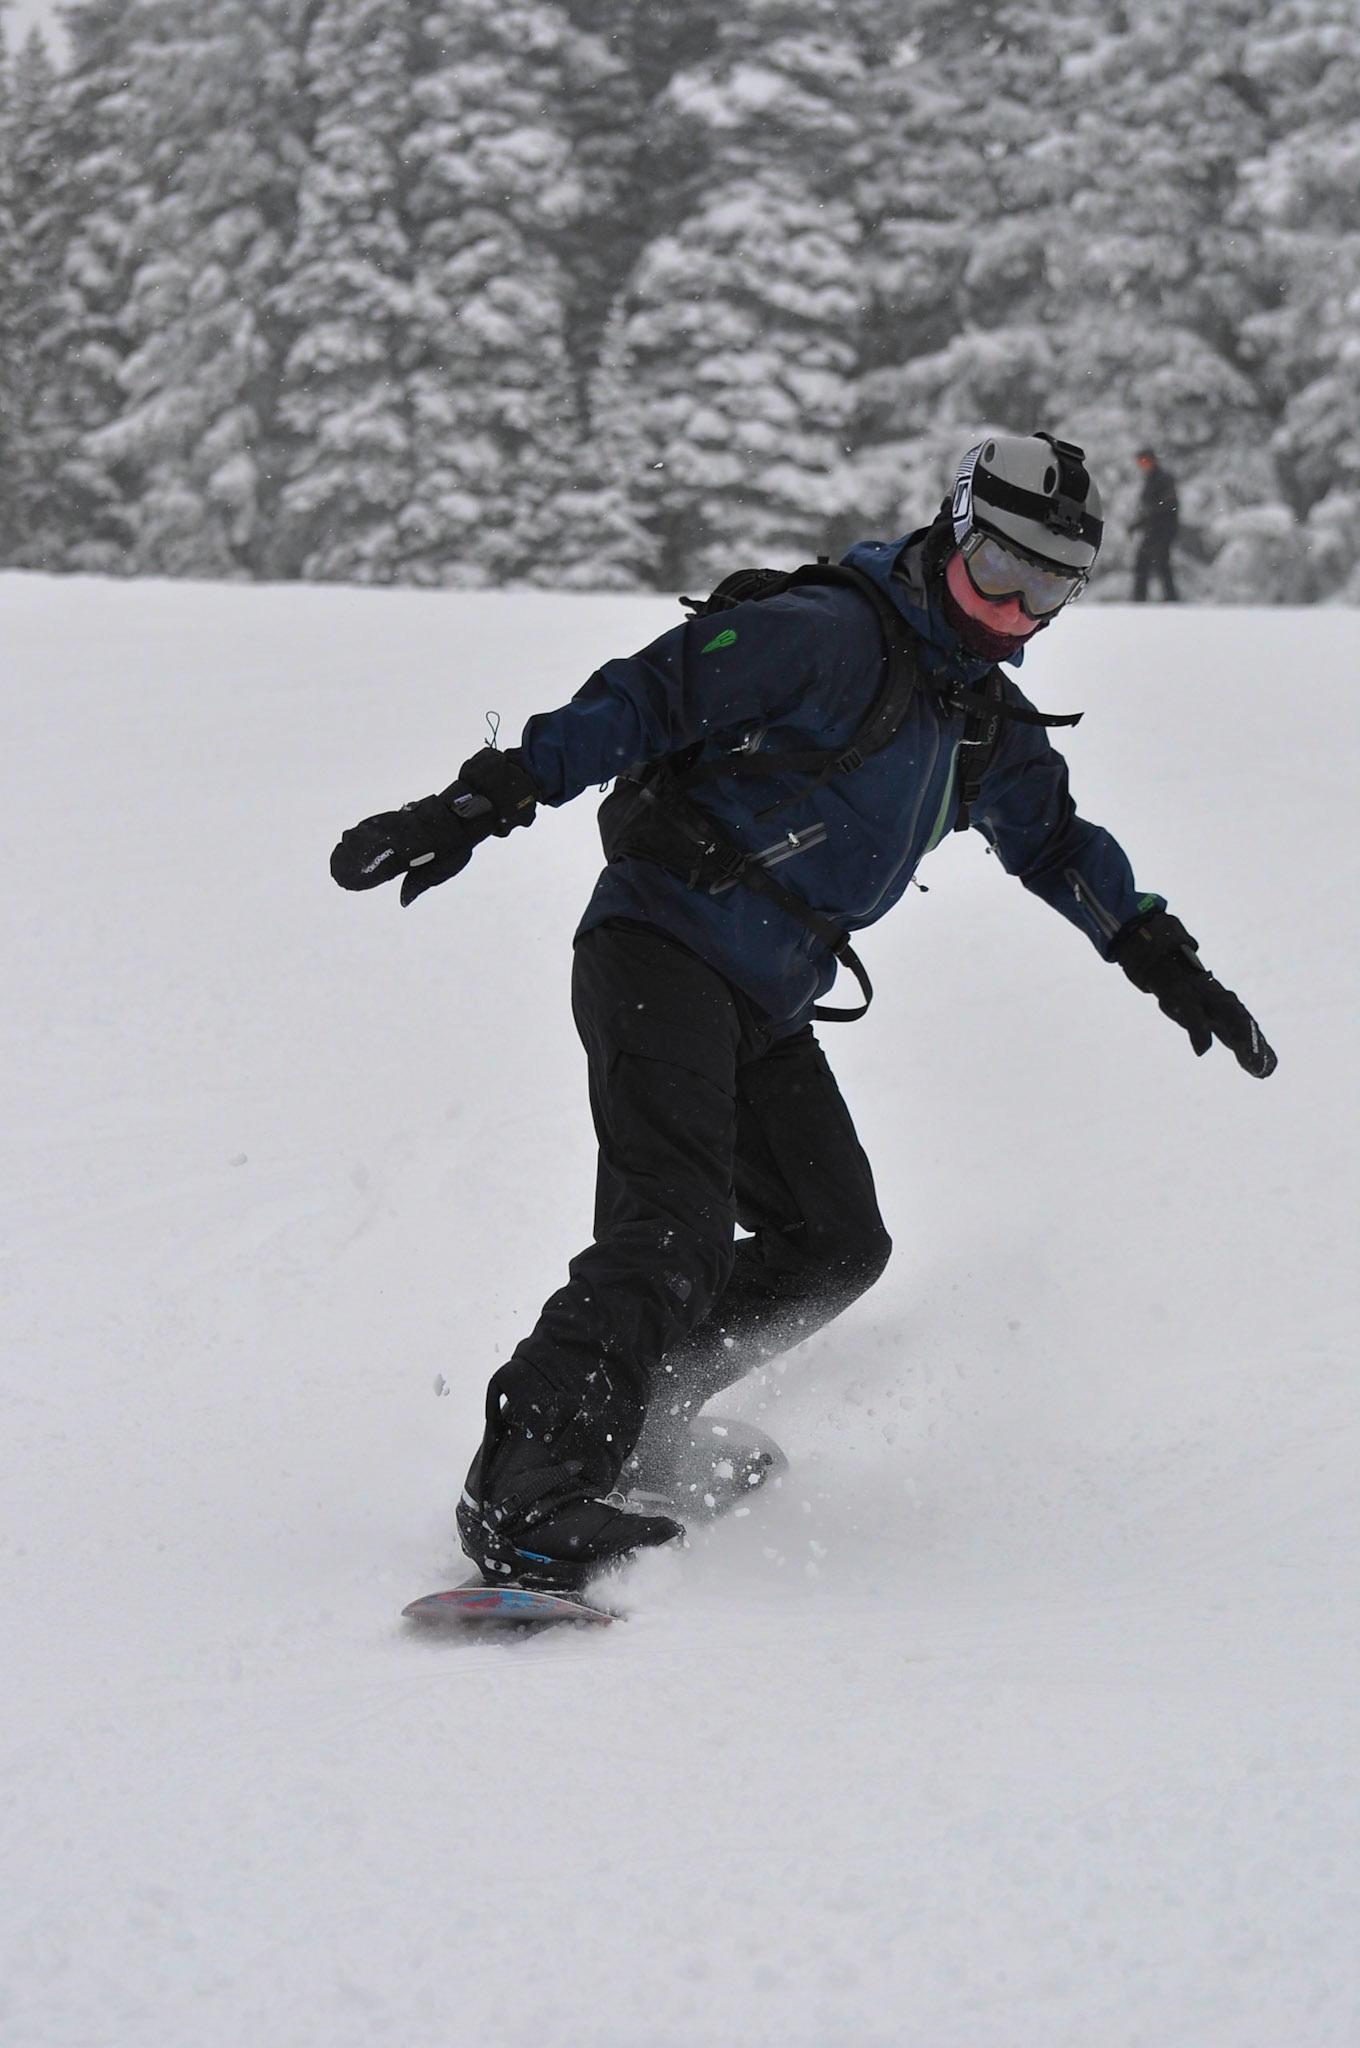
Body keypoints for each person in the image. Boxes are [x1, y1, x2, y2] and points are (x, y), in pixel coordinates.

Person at [331, 431, 1276, 1594]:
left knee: (836, 1242)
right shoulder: (826, 634)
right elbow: (647, 695)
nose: (1012, 612)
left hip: (767, 994)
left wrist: (1158, 953)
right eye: (999, 572)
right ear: (953, 531)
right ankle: (525, 1489)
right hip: (662, 947)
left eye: (1048, 591)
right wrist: (483, 801)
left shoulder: (980, 716)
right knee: (665, 1233)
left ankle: (643, 1419)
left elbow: (1058, 841)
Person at [1132, 447, 1180, 601]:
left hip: (1164, 529)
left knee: (1161, 563)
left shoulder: (1163, 479)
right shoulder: (1150, 480)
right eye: (1140, 462)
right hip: (1152, 529)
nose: (1143, 465)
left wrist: (1152, 511)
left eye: (1145, 461)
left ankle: (1170, 598)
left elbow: (1169, 504)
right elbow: (1148, 510)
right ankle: (1139, 598)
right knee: (1143, 563)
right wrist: (1136, 524)